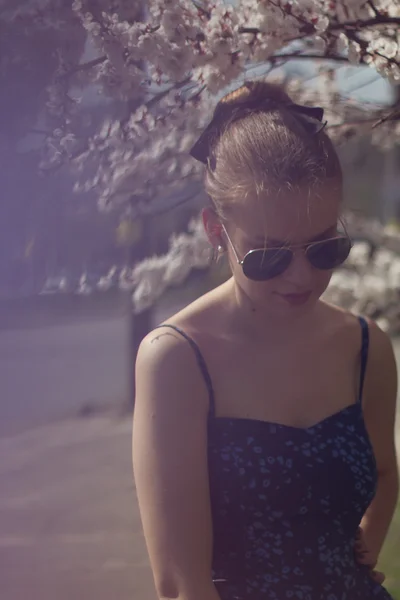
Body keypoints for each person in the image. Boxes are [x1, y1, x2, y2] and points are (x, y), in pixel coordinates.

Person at [132, 80, 398, 600]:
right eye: (269, 255)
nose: (300, 277)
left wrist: (359, 559)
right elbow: (181, 583)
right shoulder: (178, 359)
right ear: (215, 231)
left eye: (324, 247)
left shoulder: (366, 346)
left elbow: (387, 475)